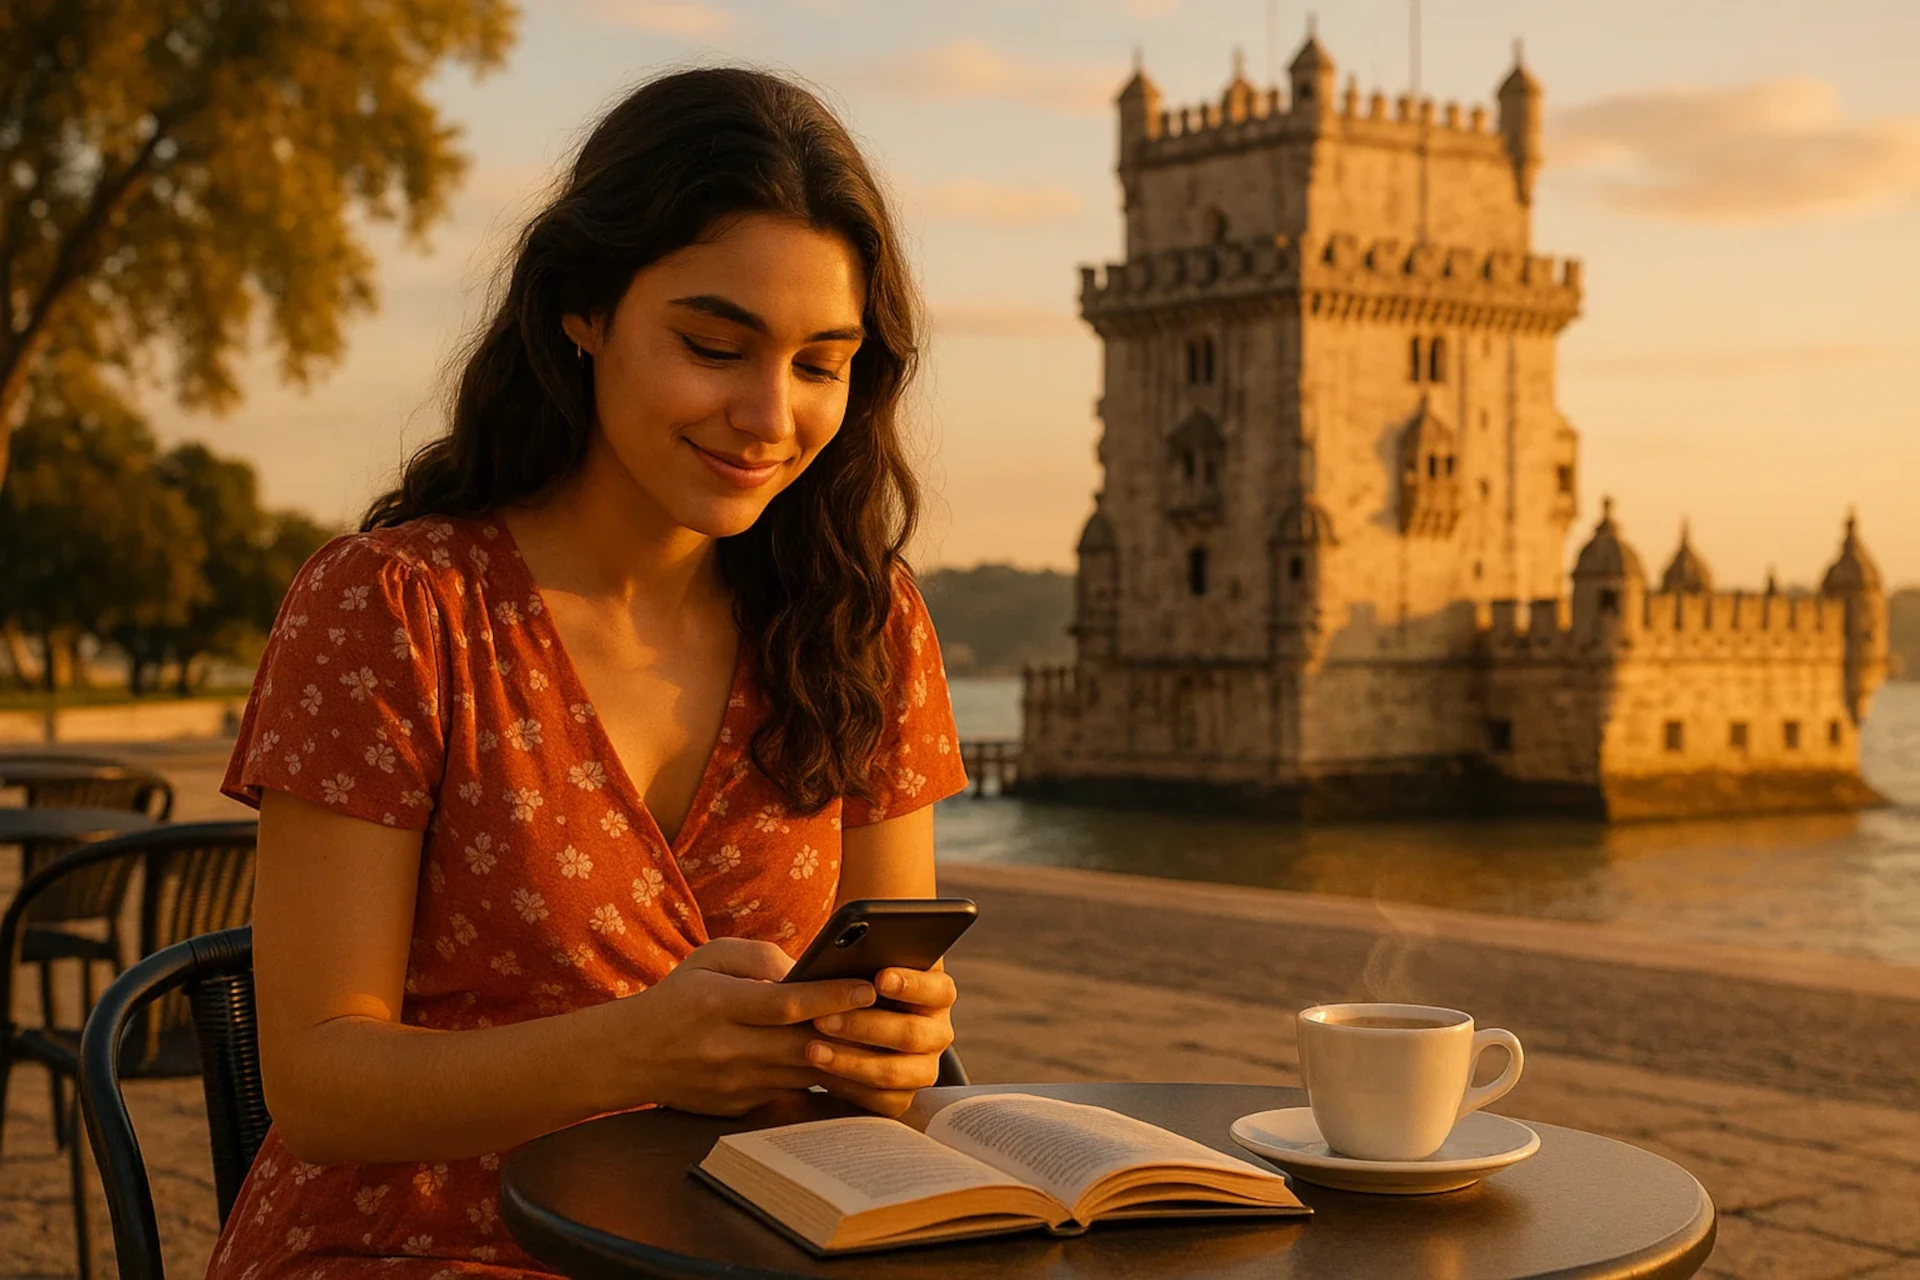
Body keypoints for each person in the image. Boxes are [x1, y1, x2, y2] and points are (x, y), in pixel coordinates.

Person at [209, 66, 969, 1277]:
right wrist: (638, 1050)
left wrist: (889, 1046)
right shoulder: (395, 609)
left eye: (822, 364)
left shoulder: (858, 623)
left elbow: (879, 1029)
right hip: (418, 1246)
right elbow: (316, 1082)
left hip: (743, 1243)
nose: (769, 414)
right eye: (714, 345)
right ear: (581, 307)